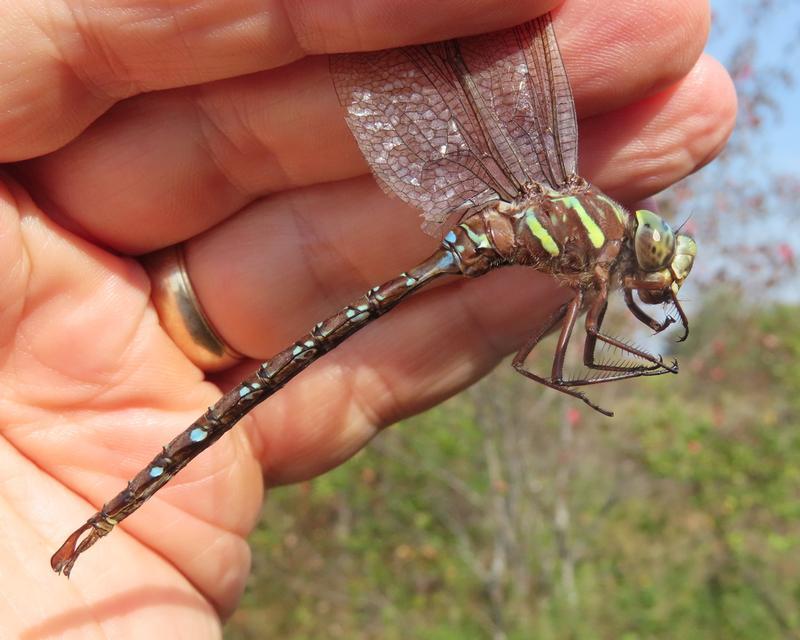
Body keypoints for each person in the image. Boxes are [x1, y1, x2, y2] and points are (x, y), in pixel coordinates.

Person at [0, 0, 735, 635]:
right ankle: (99, 521)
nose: (656, 265)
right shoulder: (594, 247)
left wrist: (629, 361)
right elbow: (567, 356)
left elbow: (560, 356)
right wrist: (649, 361)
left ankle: (89, 530)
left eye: (657, 257)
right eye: (656, 252)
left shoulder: (590, 249)